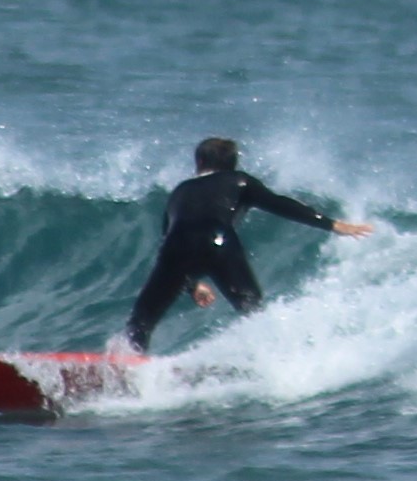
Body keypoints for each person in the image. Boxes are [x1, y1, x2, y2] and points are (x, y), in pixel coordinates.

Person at [124, 137, 372, 350]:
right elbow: (278, 204)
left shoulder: (180, 190)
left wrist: (192, 284)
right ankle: (273, 363)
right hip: (219, 243)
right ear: (233, 164)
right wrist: (331, 224)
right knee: (252, 311)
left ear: (199, 162)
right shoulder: (239, 180)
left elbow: (168, 236)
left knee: (141, 320)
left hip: (176, 250)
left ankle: (130, 368)